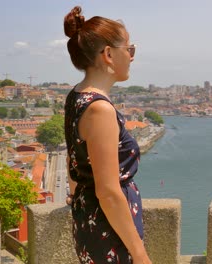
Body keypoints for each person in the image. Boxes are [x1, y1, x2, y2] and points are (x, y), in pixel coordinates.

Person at [63, 6, 152, 264]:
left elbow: (74, 161)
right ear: (109, 54)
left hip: (91, 220)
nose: (132, 57)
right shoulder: (100, 108)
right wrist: (141, 255)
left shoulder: (76, 96)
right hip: (108, 231)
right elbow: (109, 192)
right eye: (129, 49)